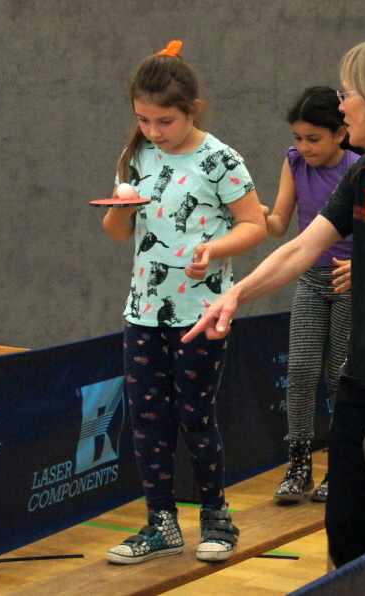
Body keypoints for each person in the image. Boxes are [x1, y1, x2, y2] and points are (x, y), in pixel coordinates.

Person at [184, 37, 365, 567]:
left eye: (348, 93)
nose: (341, 106)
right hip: (363, 380)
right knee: (345, 536)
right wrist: (236, 293)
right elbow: (301, 247)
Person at [101, 41, 266, 564]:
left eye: (164, 121)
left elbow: (254, 225)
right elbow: (115, 232)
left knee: (195, 415)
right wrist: (121, 208)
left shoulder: (220, 159)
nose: (153, 131)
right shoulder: (137, 155)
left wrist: (212, 250)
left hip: (203, 312)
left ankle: (216, 516)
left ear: (191, 110)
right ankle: (160, 523)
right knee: (147, 420)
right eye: (143, 120)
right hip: (143, 313)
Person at [264, 86, 362, 503]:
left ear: (341, 133)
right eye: (298, 138)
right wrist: (243, 211)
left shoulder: (361, 168)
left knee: (340, 376)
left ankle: (342, 467)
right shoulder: (293, 163)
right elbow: (278, 223)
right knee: (302, 371)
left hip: (349, 284)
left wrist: (363, 267)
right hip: (310, 279)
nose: (304, 147)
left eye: (314, 139)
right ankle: (299, 464)